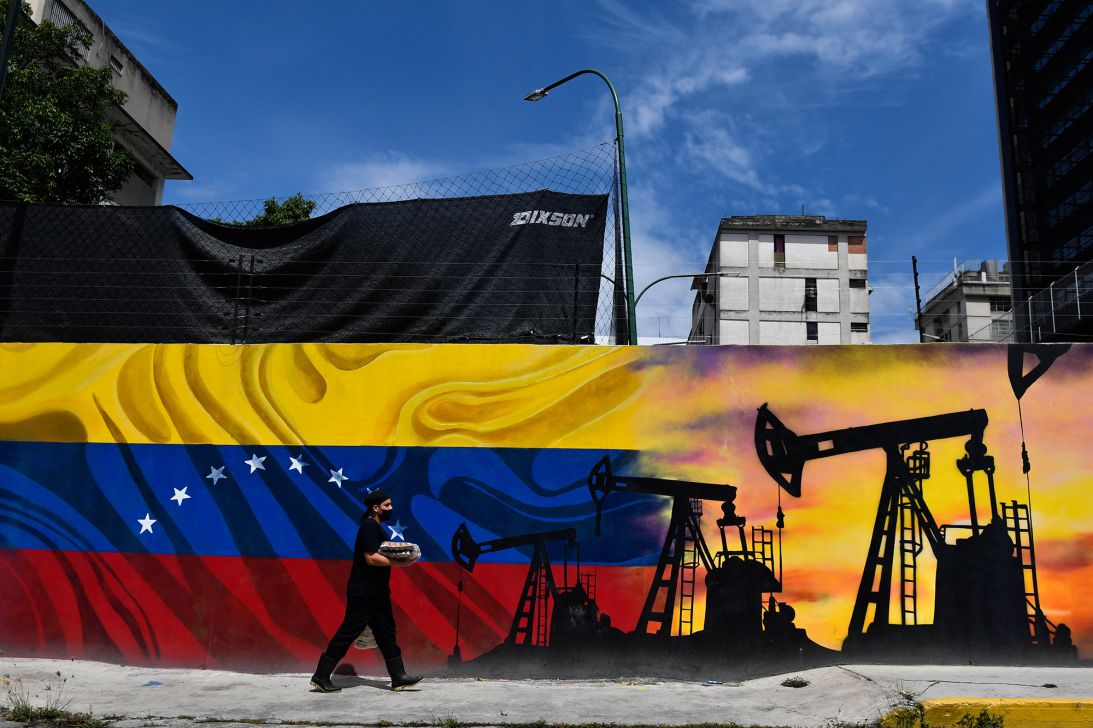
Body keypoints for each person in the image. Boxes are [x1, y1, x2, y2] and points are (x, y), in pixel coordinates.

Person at [310, 489, 423, 692]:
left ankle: (398, 677)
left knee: (386, 632)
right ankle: (321, 676)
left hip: (378, 592)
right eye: (387, 505)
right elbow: (370, 558)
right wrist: (400, 563)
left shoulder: (377, 527)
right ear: (376, 508)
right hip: (364, 592)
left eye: (390, 504)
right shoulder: (369, 526)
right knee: (348, 633)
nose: (391, 508)